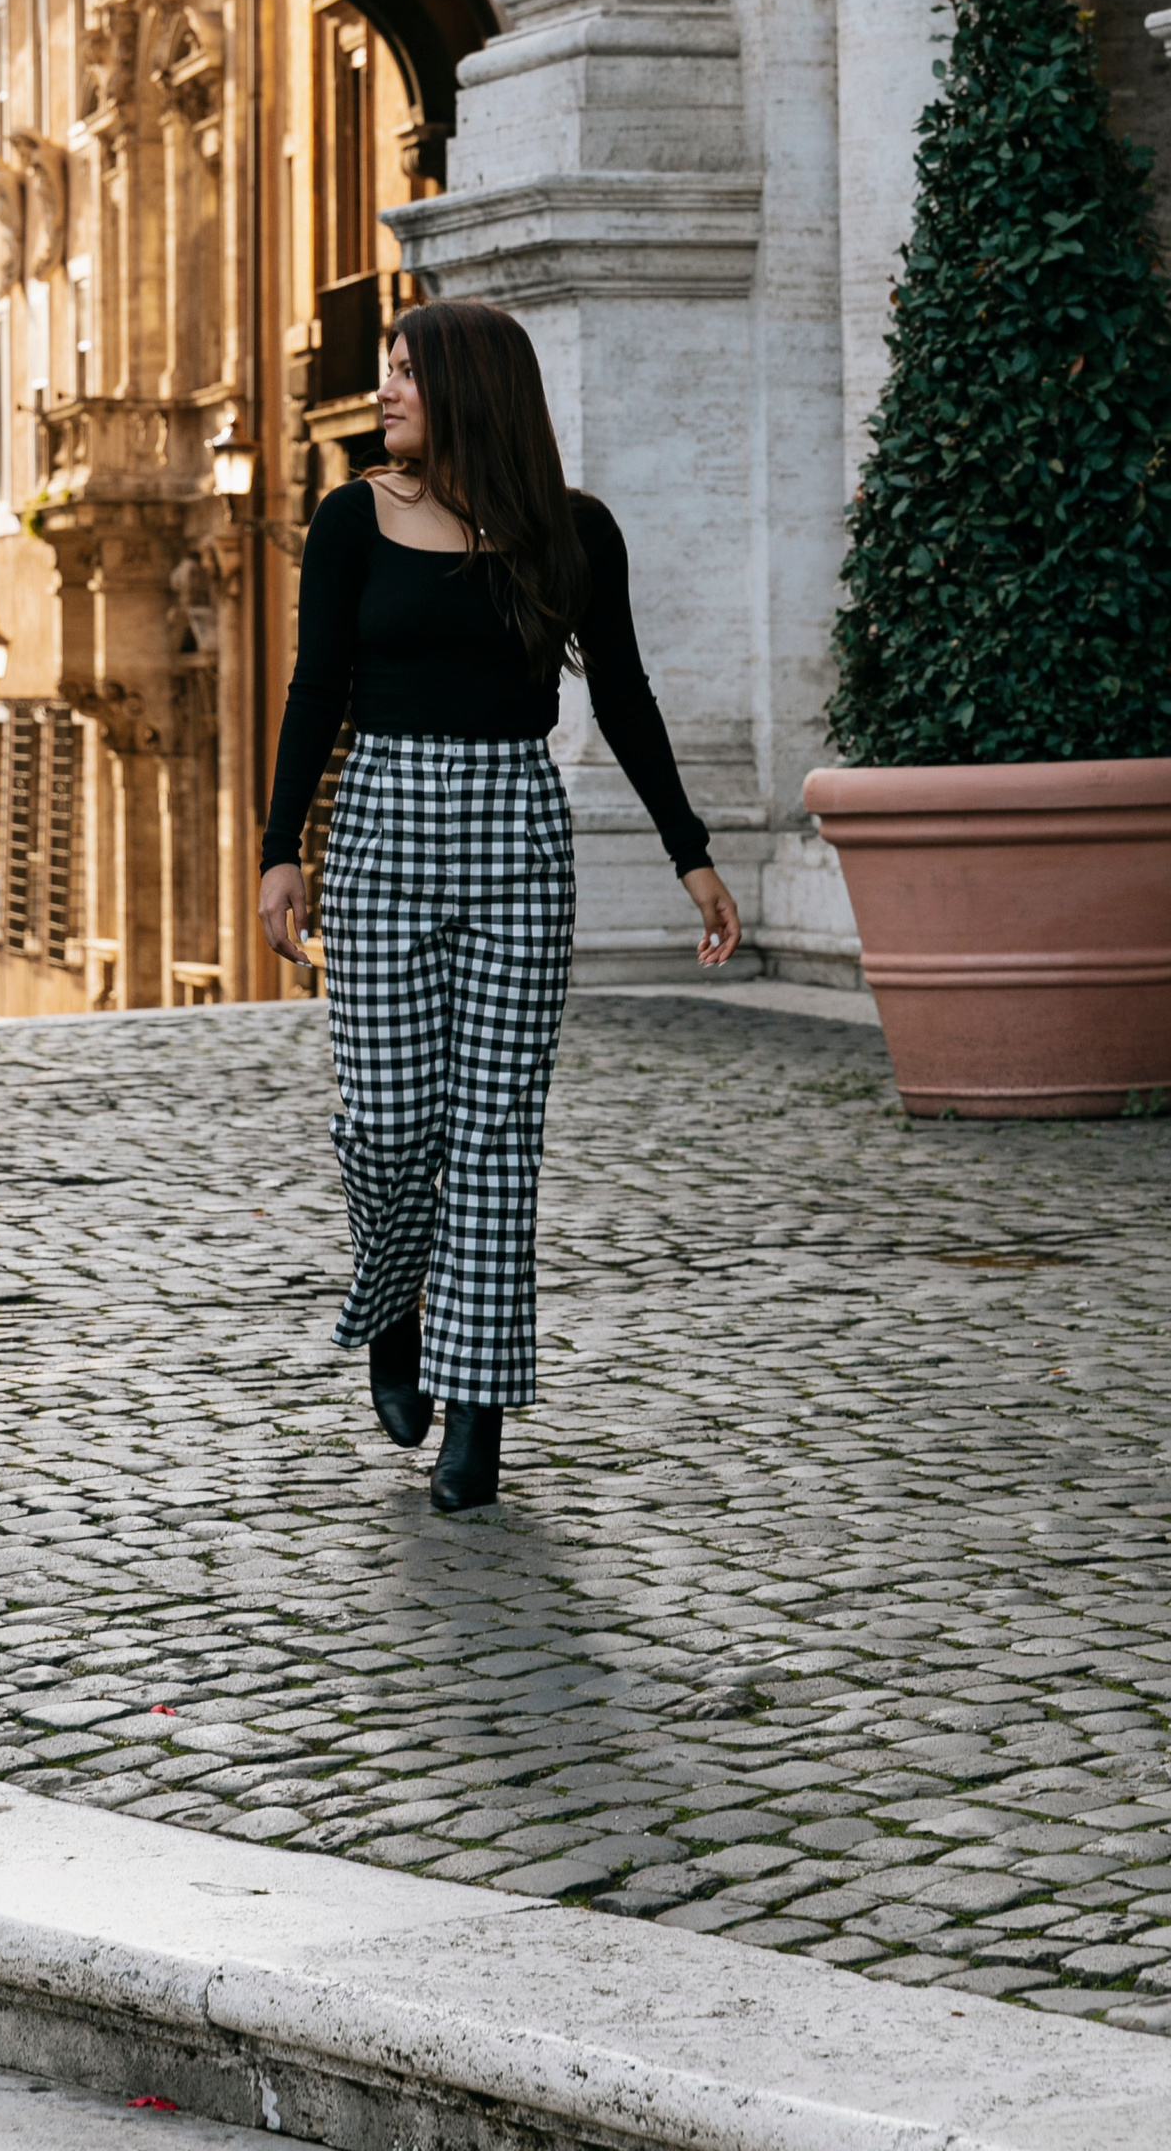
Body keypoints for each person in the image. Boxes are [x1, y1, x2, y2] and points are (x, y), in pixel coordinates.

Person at [258, 296, 740, 1514]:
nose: (387, 390)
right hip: (379, 834)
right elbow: (317, 689)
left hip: (517, 837)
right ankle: (391, 1313)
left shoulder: (570, 534)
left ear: (471, 388)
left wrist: (691, 853)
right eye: (387, 370)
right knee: (385, 1124)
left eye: (408, 373)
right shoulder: (351, 521)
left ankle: (477, 1420)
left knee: (493, 1142)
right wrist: (279, 852)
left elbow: (622, 696)